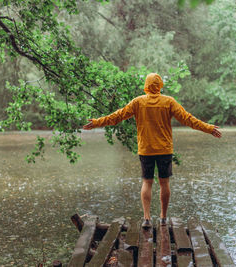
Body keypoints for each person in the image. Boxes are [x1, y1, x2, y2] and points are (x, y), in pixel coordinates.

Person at [83, 73, 221, 229]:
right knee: (164, 182)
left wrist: (96, 123)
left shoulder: (138, 102)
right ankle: (163, 217)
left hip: (146, 149)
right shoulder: (168, 102)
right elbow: (188, 119)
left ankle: (147, 218)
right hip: (164, 149)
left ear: (146, 86)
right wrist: (208, 128)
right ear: (160, 85)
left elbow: (117, 116)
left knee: (147, 182)